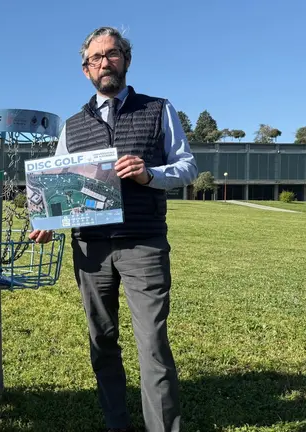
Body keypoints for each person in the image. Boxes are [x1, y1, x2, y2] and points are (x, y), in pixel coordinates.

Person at [30, 26, 197, 432]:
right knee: (102, 341)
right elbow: (58, 183)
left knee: (152, 344)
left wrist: (149, 173)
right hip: (90, 250)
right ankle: (116, 424)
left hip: (143, 244)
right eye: (96, 58)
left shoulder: (158, 109)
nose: (104, 63)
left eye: (112, 54)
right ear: (86, 69)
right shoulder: (72, 125)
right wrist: (49, 222)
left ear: (126, 59)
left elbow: (187, 167)